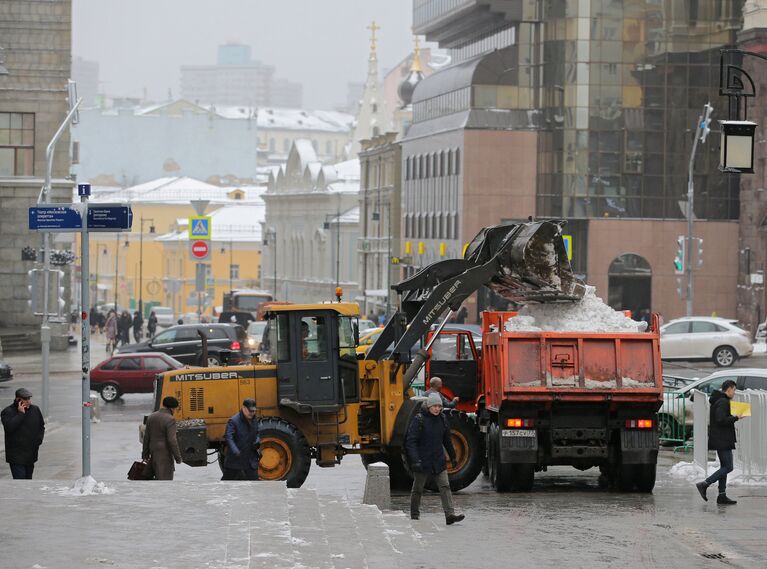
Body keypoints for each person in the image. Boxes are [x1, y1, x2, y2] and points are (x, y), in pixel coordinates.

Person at [405, 392, 464, 525]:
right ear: (429, 406)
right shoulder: (418, 419)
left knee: (445, 486)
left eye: (439, 406)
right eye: (435, 406)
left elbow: (447, 440)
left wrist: (453, 457)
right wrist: (415, 460)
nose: (437, 408)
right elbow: (411, 442)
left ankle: (450, 515)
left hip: (438, 459)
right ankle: (414, 515)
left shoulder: (442, 419)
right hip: (422, 460)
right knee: (418, 489)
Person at [696, 380, 747, 505]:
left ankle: (722, 495)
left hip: (721, 438)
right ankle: (705, 484)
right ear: (728, 389)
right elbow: (720, 419)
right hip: (722, 439)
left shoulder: (720, 400)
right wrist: (736, 417)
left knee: (724, 466)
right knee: (728, 467)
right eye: (734, 390)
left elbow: (721, 418)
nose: (734, 392)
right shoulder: (723, 401)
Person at [1, 388, 45, 479]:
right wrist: (21, 414)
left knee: (28, 481)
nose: (28, 401)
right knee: (20, 483)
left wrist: (38, 440)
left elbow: (41, 426)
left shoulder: (35, 410)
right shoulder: (7, 412)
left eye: (29, 398)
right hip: (16, 456)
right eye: (25, 399)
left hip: (30, 454)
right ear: (18, 399)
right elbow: (9, 428)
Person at [141, 396, 182, 480]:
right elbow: (172, 440)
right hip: (164, 455)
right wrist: (178, 457)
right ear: (172, 408)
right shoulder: (170, 419)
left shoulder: (151, 417)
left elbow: (146, 438)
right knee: (164, 483)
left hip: (153, 453)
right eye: (175, 409)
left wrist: (145, 454)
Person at [222, 398, 261, 481]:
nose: (252, 413)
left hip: (250, 459)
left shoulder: (254, 420)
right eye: (250, 411)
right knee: (226, 483)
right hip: (235, 460)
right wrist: (235, 451)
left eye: (254, 411)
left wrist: (257, 440)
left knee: (256, 484)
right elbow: (229, 437)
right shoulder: (233, 421)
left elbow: (257, 432)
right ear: (243, 408)